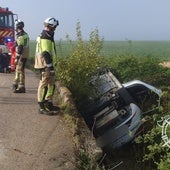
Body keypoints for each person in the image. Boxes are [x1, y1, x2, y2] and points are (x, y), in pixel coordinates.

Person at [34, 17, 60, 115]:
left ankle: (48, 103)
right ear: (50, 26)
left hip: (47, 64)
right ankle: (41, 107)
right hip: (45, 65)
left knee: (51, 84)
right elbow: (45, 53)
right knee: (44, 85)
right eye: (54, 27)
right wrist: (51, 67)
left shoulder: (48, 35)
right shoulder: (45, 37)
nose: (55, 29)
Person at [12, 20, 29, 93]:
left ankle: (17, 85)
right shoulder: (25, 34)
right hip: (25, 54)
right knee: (21, 70)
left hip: (21, 55)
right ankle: (20, 86)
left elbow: (20, 47)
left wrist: (16, 58)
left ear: (17, 26)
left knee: (19, 70)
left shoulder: (20, 36)